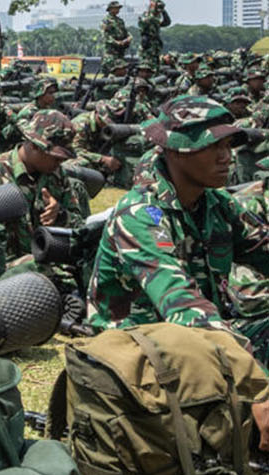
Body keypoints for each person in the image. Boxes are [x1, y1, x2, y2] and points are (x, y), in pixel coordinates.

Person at [87, 96, 269, 367]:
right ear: (175, 150)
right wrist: (252, 380)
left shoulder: (216, 205)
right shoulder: (140, 214)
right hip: (136, 350)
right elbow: (180, 301)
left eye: (228, 145)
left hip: (196, 336)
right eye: (212, 146)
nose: (226, 157)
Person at [0, 110, 84, 259]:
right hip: (0, 268)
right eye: (56, 157)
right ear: (35, 146)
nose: (61, 163)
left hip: (45, 262)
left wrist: (59, 215)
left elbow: (79, 226)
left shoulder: (57, 175)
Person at [139, 0, 172, 69]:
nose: (158, 10)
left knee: (156, 64)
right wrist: (152, 8)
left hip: (156, 44)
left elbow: (167, 22)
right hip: (148, 44)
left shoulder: (157, 18)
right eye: (157, 7)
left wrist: (163, 11)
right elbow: (144, 22)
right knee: (147, 65)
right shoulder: (147, 15)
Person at [101, 1, 133, 72]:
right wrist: (116, 42)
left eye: (118, 8)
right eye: (116, 8)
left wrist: (128, 38)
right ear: (110, 9)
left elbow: (126, 32)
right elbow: (105, 36)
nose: (118, 10)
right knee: (110, 69)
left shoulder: (120, 21)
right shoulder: (106, 20)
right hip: (111, 51)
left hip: (120, 50)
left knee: (120, 69)